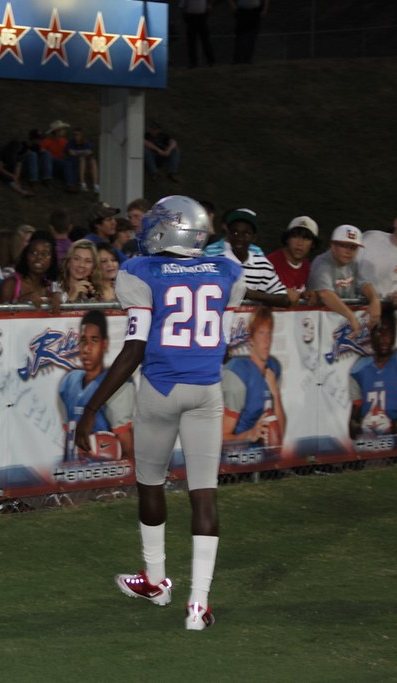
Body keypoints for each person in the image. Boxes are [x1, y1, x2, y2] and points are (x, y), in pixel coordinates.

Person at [75, 195, 245, 631]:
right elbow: (221, 340)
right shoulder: (227, 270)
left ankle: (155, 580)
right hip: (206, 390)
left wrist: (92, 406)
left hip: (160, 388)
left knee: (150, 481)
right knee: (203, 493)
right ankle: (199, 605)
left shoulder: (141, 271)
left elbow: (134, 348)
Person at [59, 310, 133, 462]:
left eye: (94, 340)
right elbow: (69, 439)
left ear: (104, 344)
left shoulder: (116, 383)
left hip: (107, 473)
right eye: (83, 340)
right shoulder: (69, 382)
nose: (87, 349)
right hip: (77, 474)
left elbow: (128, 449)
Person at [348, 303, 397, 440]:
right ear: (371, 335)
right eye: (379, 331)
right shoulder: (358, 370)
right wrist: (363, 427)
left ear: (394, 334)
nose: (384, 337)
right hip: (367, 445)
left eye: (388, 332)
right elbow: (352, 425)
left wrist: (389, 427)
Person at [221, 306, 285, 449]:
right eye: (261, 333)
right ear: (251, 339)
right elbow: (222, 438)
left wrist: (276, 395)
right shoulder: (238, 373)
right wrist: (249, 435)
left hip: (263, 457)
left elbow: (280, 434)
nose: (267, 340)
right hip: (236, 458)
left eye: (269, 334)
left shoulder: (273, 367)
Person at [204, 208, 290, 307]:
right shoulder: (216, 264)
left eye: (246, 234)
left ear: (254, 238)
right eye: (235, 233)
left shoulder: (263, 265)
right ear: (228, 235)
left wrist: (251, 294)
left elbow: (284, 300)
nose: (240, 238)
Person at [308, 224, 382, 335]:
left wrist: (374, 300)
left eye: (353, 248)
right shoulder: (322, 263)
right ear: (333, 246)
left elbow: (363, 284)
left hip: (340, 323)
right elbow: (325, 293)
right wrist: (351, 317)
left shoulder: (353, 263)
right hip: (320, 327)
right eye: (344, 246)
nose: (349, 252)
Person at [0, 230, 62, 310]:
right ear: (26, 256)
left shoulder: (51, 286)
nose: (39, 257)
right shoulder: (10, 285)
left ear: (52, 260)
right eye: (34, 252)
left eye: (45, 254)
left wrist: (58, 300)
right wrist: (20, 302)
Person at [266, 216, 318, 305]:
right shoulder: (270, 263)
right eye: (295, 236)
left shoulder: (307, 266)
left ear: (313, 244)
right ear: (287, 239)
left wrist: (305, 295)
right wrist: (282, 293)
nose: (300, 243)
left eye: (306, 238)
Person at [58, 239, 105, 304]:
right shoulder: (55, 289)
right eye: (76, 259)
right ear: (68, 261)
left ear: (94, 267)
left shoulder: (94, 292)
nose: (81, 265)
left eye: (88, 261)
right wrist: (71, 297)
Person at [41, 119, 78, 192]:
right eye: (63, 130)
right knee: (66, 164)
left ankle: (72, 180)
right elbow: (42, 152)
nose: (64, 131)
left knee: (73, 160)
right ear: (57, 131)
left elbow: (70, 151)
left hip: (59, 161)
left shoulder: (64, 141)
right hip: (51, 162)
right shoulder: (47, 141)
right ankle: (69, 184)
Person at [230, 0, 269, 65]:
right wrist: (233, 7)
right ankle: (237, 59)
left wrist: (265, 9)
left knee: (252, 36)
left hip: (255, 11)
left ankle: (247, 58)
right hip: (242, 11)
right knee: (240, 36)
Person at [182, 0, 216, 68]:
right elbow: (182, 5)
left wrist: (208, 8)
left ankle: (211, 61)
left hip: (201, 17)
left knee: (205, 40)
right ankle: (193, 62)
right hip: (191, 17)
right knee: (192, 42)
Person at [67, 127, 99, 194]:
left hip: (86, 163)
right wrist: (82, 152)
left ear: (81, 135)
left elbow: (89, 152)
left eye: (77, 134)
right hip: (76, 163)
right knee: (82, 159)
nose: (76, 136)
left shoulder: (86, 143)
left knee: (93, 161)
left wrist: (77, 152)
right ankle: (82, 183)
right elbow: (71, 152)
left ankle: (95, 185)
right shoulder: (71, 143)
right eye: (75, 134)